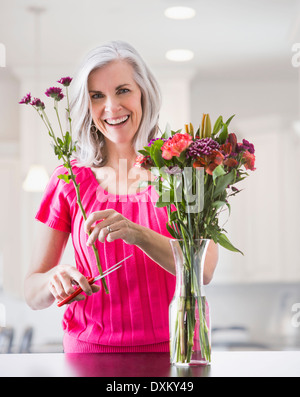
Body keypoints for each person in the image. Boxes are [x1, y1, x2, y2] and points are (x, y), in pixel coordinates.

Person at [24, 41, 218, 353]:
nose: (111, 107)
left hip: (177, 351)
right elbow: (31, 293)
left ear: (144, 92)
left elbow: (204, 269)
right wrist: (52, 280)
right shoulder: (69, 180)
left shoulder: (183, 170)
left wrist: (135, 232)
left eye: (123, 90)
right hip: (90, 354)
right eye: (97, 96)